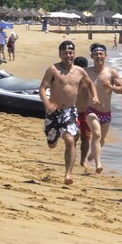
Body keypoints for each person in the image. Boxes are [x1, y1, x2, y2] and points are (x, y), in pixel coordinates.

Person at [38, 41, 96, 185]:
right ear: (60, 54)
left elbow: (90, 84)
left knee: (70, 141)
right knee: (51, 144)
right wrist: (47, 103)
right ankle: (53, 137)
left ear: (74, 54)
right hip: (53, 112)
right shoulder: (53, 69)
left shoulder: (80, 71)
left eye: (70, 53)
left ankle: (68, 175)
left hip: (69, 111)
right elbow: (42, 88)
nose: (68, 56)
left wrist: (94, 96)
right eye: (65, 53)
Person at [82, 43, 122, 174]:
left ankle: (92, 155)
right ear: (91, 56)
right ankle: (98, 164)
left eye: (101, 54)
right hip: (91, 110)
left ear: (105, 56)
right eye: (96, 54)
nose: (98, 56)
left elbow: (121, 89)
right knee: (96, 134)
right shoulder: (87, 72)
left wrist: (111, 87)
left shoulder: (111, 72)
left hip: (106, 113)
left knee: (101, 140)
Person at [73, 56, 92, 167]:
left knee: (86, 138)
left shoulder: (88, 80)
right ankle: (72, 156)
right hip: (73, 111)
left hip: (86, 113)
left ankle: (83, 160)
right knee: (75, 136)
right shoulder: (70, 78)